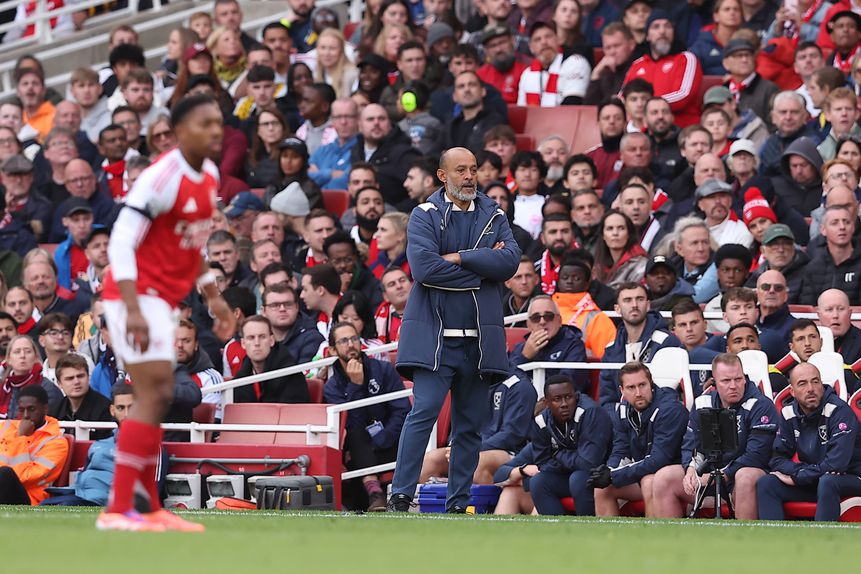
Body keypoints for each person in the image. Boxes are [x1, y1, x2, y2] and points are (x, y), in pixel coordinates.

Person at [96, 95, 236, 532]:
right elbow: (120, 242)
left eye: (218, 122)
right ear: (178, 131)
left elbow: (192, 243)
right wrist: (132, 307)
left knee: (155, 399)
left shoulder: (209, 174)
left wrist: (213, 297)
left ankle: (143, 505)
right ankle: (122, 507)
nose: (215, 130)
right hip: (134, 294)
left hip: (161, 299)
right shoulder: (161, 177)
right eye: (205, 123)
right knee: (154, 395)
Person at [389, 147, 520, 513]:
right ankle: (400, 494)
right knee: (424, 411)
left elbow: (509, 262)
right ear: (442, 176)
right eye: (460, 170)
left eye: (473, 169)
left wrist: (461, 257)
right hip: (435, 339)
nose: (469, 176)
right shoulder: (424, 214)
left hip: (478, 342)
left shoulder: (493, 212)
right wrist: (483, 270)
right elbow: (424, 270)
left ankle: (458, 503)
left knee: (469, 428)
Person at [651, 353, 777, 520]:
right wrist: (691, 469)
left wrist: (720, 474)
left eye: (738, 379)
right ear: (714, 382)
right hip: (710, 475)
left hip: (740, 477)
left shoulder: (761, 404)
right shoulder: (703, 402)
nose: (734, 386)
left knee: (746, 476)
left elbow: (757, 455)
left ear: (745, 378)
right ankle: (673, 542)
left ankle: (745, 543)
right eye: (726, 381)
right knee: (663, 477)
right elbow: (691, 443)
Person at [757, 362, 861, 521]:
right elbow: (777, 459)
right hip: (816, 478)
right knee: (767, 483)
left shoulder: (839, 411)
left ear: (821, 384)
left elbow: (836, 464)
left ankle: (822, 542)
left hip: (852, 477)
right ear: (792, 391)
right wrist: (800, 471)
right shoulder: (788, 413)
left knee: (828, 481)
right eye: (802, 384)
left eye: (815, 381)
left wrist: (799, 476)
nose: (811, 388)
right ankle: (775, 543)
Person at [324, 322, 410, 511]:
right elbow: (349, 424)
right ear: (332, 350)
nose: (351, 344)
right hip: (358, 448)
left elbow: (401, 410)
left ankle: (374, 493)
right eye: (344, 341)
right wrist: (356, 386)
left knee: (358, 452)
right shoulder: (332, 386)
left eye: (354, 338)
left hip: (390, 442)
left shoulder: (384, 370)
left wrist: (383, 438)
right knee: (355, 435)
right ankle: (373, 492)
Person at [588, 361, 689, 517]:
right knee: (603, 487)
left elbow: (659, 459)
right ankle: (608, 539)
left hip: (673, 475)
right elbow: (621, 451)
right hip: (643, 472)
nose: (638, 392)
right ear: (622, 390)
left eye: (642, 385)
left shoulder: (670, 409)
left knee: (649, 481)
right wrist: (609, 470)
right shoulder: (624, 411)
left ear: (651, 384)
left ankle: (649, 539)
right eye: (631, 387)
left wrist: (614, 476)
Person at [421, 367, 536, 486]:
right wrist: (456, 445)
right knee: (430, 460)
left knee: (477, 462)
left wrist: (471, 449)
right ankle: (425, 504)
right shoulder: (472, 383)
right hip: (472, 448)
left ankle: (483, 504)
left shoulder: (520, 385)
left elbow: (512, 435)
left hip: (508, 452)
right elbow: (459, 425)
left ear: (504, 348)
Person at [528, 374, 612, 516]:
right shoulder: (541, 421)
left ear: (576, 396)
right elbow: (542, 462)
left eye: (568, 397)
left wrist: (558, 453)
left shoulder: (591, 412)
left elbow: (588, 463)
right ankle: (557, 533)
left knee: (578, 478)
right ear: (547, 403)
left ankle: (588, 531)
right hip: (569, 475)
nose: (564, 404)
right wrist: (569, 460)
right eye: (557, 399)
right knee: (538, 482)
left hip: (601, 476)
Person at [599, 282, 681, 407]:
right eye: (627, 300)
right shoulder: (611, 349)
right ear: (617, 309)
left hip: (658, 416)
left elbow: (670, 393)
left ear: (648, 305)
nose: (634, 305)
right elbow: (607, 399)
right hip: (622, 420)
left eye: (640, 299)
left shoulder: (667, 341)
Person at [622, 11, 703, 127]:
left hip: (681, 130)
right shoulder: (638, 64)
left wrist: (646, 105)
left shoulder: (686, 58)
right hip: (642, 131)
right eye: (656, 27)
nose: (662, 31)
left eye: (667, 26)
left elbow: (683, 94)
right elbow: (623, 96)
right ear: (648, 36)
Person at [0, 385, 69, 505]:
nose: (26, 415)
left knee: (5, 474)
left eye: (31, 409)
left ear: (45, 409)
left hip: (30, 499)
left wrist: (20, 437)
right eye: (21, 410)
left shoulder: (57, 442)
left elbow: (24, 477)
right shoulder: (5, 427)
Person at [510, 296, 589, 392]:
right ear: (528, 324)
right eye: (536, 318)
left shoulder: (574, 346)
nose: (542, 322)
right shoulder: (521, 348)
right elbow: (507, 383)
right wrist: (524, 357)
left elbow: (568, 386)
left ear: (559, 321)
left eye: (548, 316)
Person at [349, 103, 421, 207]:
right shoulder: (356, 151)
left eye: (381, 119)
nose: (376, 123)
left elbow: (419, 193)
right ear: (359, 125)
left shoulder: (404, 154)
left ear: (389, 124)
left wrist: (395, 212)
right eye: (370, 119)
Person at [551, 256, 617, 360]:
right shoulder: (544, 310)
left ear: (587, 284)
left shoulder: (597, 318)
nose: (570, 281)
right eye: (565, 277)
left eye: (576, 278)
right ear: (558, 282)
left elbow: (608, 359)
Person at [233, 315, 310, 404]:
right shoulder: (240, 379)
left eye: (262, 337)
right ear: (243, 343)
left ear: (271, 340)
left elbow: (293, 414)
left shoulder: (290, 373)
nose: (257, 343)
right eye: (251, 338)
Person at [517, 22, 591, 107]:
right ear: (531, 48)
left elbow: (572, 106)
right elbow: (522, 110)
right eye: (537, 39)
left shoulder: (576, 63)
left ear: (558, 40)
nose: (544, 42)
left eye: (548, 36)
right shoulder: (527, 74)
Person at [801, 206, 861, 305]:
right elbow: (807, 308)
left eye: (846, 222)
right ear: (823, 229)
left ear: (853, 227)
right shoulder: (813, 268)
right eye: (835, 223)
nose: (842, 227)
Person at [47, 353, 112, 440]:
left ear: (88, 377)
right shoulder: (54, 411)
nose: (76, 381)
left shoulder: (105, 408)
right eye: (70, 378)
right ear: (59, 383)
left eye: (80, 376)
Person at [174, 319, 225, 419]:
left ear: (196, 344)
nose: (180, 345)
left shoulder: (210, 378)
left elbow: (213, 424)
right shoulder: (154, 373)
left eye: (186, 341)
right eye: (175, 340)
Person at [746, 224, 809, 302]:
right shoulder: (756, 276)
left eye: (786, 244)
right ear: (763, 251)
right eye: (774, 245)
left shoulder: (809, 273)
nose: (781, 250)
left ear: (793, 248)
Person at [308, 98, 359, 190]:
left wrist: (319, 175)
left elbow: (347, 181)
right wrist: (330, 174)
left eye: (349, 116)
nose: (343, 122)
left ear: (357, 118)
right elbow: (305, 177)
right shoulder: (322, 151)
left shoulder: (362, 150)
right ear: (331, 120)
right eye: (338, 117)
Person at [324, 230, 383, 308]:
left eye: (348, 260)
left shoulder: (373, 285)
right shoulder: (322, 285)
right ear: (327, 262)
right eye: (336, 261)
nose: (343, 265)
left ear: (356, 258)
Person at [696, 179, 754, 247]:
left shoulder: (742, 233)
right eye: (711, 197)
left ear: (730, 201)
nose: (718, 201)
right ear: (701, 205)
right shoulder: (694, 230)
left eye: (722, 196)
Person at [818, 289, 861, 370]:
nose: (835, 315)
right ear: (819, 315)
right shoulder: (811, 342)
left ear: (850, 313)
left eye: (841, 309)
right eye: (829, 309)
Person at [300, 263, 342, 339]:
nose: (301, 296)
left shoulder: (351, 313)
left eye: (305, 289)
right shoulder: (316, 320)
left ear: (320, 290)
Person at [375, 266, 412, 343]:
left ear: (412, 285)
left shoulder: (430, 308)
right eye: (392, 284)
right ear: (385, 296)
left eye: (402, 280)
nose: (399, 286)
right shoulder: (380, 322)